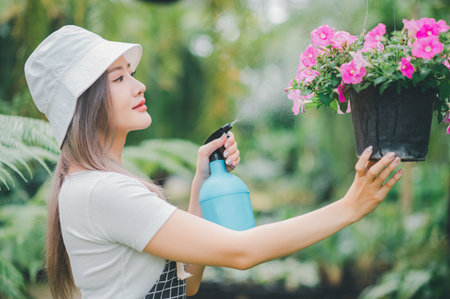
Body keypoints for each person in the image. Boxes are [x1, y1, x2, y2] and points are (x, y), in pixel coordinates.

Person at [24, 25, 404, 299]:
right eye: (119, 78)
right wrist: (349, 207)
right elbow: (242, 252)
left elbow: (185, 283)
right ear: (84, 103)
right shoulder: (103, 191)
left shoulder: (91, 184)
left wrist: (201, 184)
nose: (139, 86)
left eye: (132, 74)